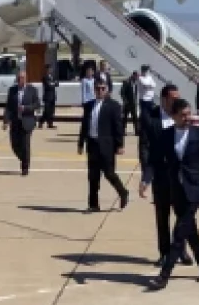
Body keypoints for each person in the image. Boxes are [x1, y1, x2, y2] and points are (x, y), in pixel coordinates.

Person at [146, 99, 199, 289]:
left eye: (188, 114)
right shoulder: (166, 135)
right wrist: (146, 180)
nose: (187, 118)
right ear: (173, 116)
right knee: (190, 231)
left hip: (195, 189)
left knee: (178, 233)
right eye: (183, 115)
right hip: (176, 190)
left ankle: (164, 275)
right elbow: (154, 159)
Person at [138, 84, 192, 267]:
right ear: (163, 99)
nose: (177, 101)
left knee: (182, 215)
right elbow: (145, 147)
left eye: (178, 97)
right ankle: (164, 253)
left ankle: (181, 249)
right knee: (162, 217)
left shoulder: (182, 116)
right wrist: (146, 176)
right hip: (161, 175)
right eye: (173, 98)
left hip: (180, 176)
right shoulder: (150, 117)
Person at [78, 79, 130, 213]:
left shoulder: (114, 106)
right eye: (97, 88)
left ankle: (123, 192)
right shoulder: (89, 105)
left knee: (109, 173)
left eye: (102, 88)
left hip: (107, 145)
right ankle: (93, 204)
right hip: (92, 144)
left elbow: (118, 127)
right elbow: (84, 125)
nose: (100, 91)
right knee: (93, 176)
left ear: (107, 90)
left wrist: (120, 144)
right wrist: (81, 143)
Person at [3, 72, 40, 175]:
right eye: (20, 78)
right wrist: (6, 121)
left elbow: (37, 104)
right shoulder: (12, 90)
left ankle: (25, 167)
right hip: (15, 121)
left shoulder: (32, 90)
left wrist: (26, 108)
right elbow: (8, 107)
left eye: (23, 78)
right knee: (14, 144)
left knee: (25, 145)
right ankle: (24, 158)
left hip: (27, 121)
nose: (22, 80)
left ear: (26, 79)